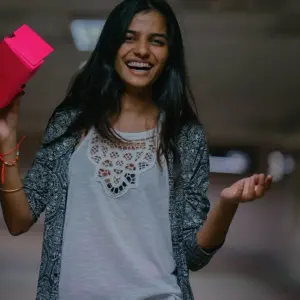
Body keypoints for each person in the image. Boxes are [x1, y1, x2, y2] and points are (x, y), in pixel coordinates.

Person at [0, 0, 272, 299]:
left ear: (169, 55)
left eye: (156, 41)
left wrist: (227, 203)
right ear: (111, 47)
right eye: (129, 38)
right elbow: (18, 221)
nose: (142, 50)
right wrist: (7, 140)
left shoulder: (185, 135)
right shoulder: (71, 122)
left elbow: (193, 255)